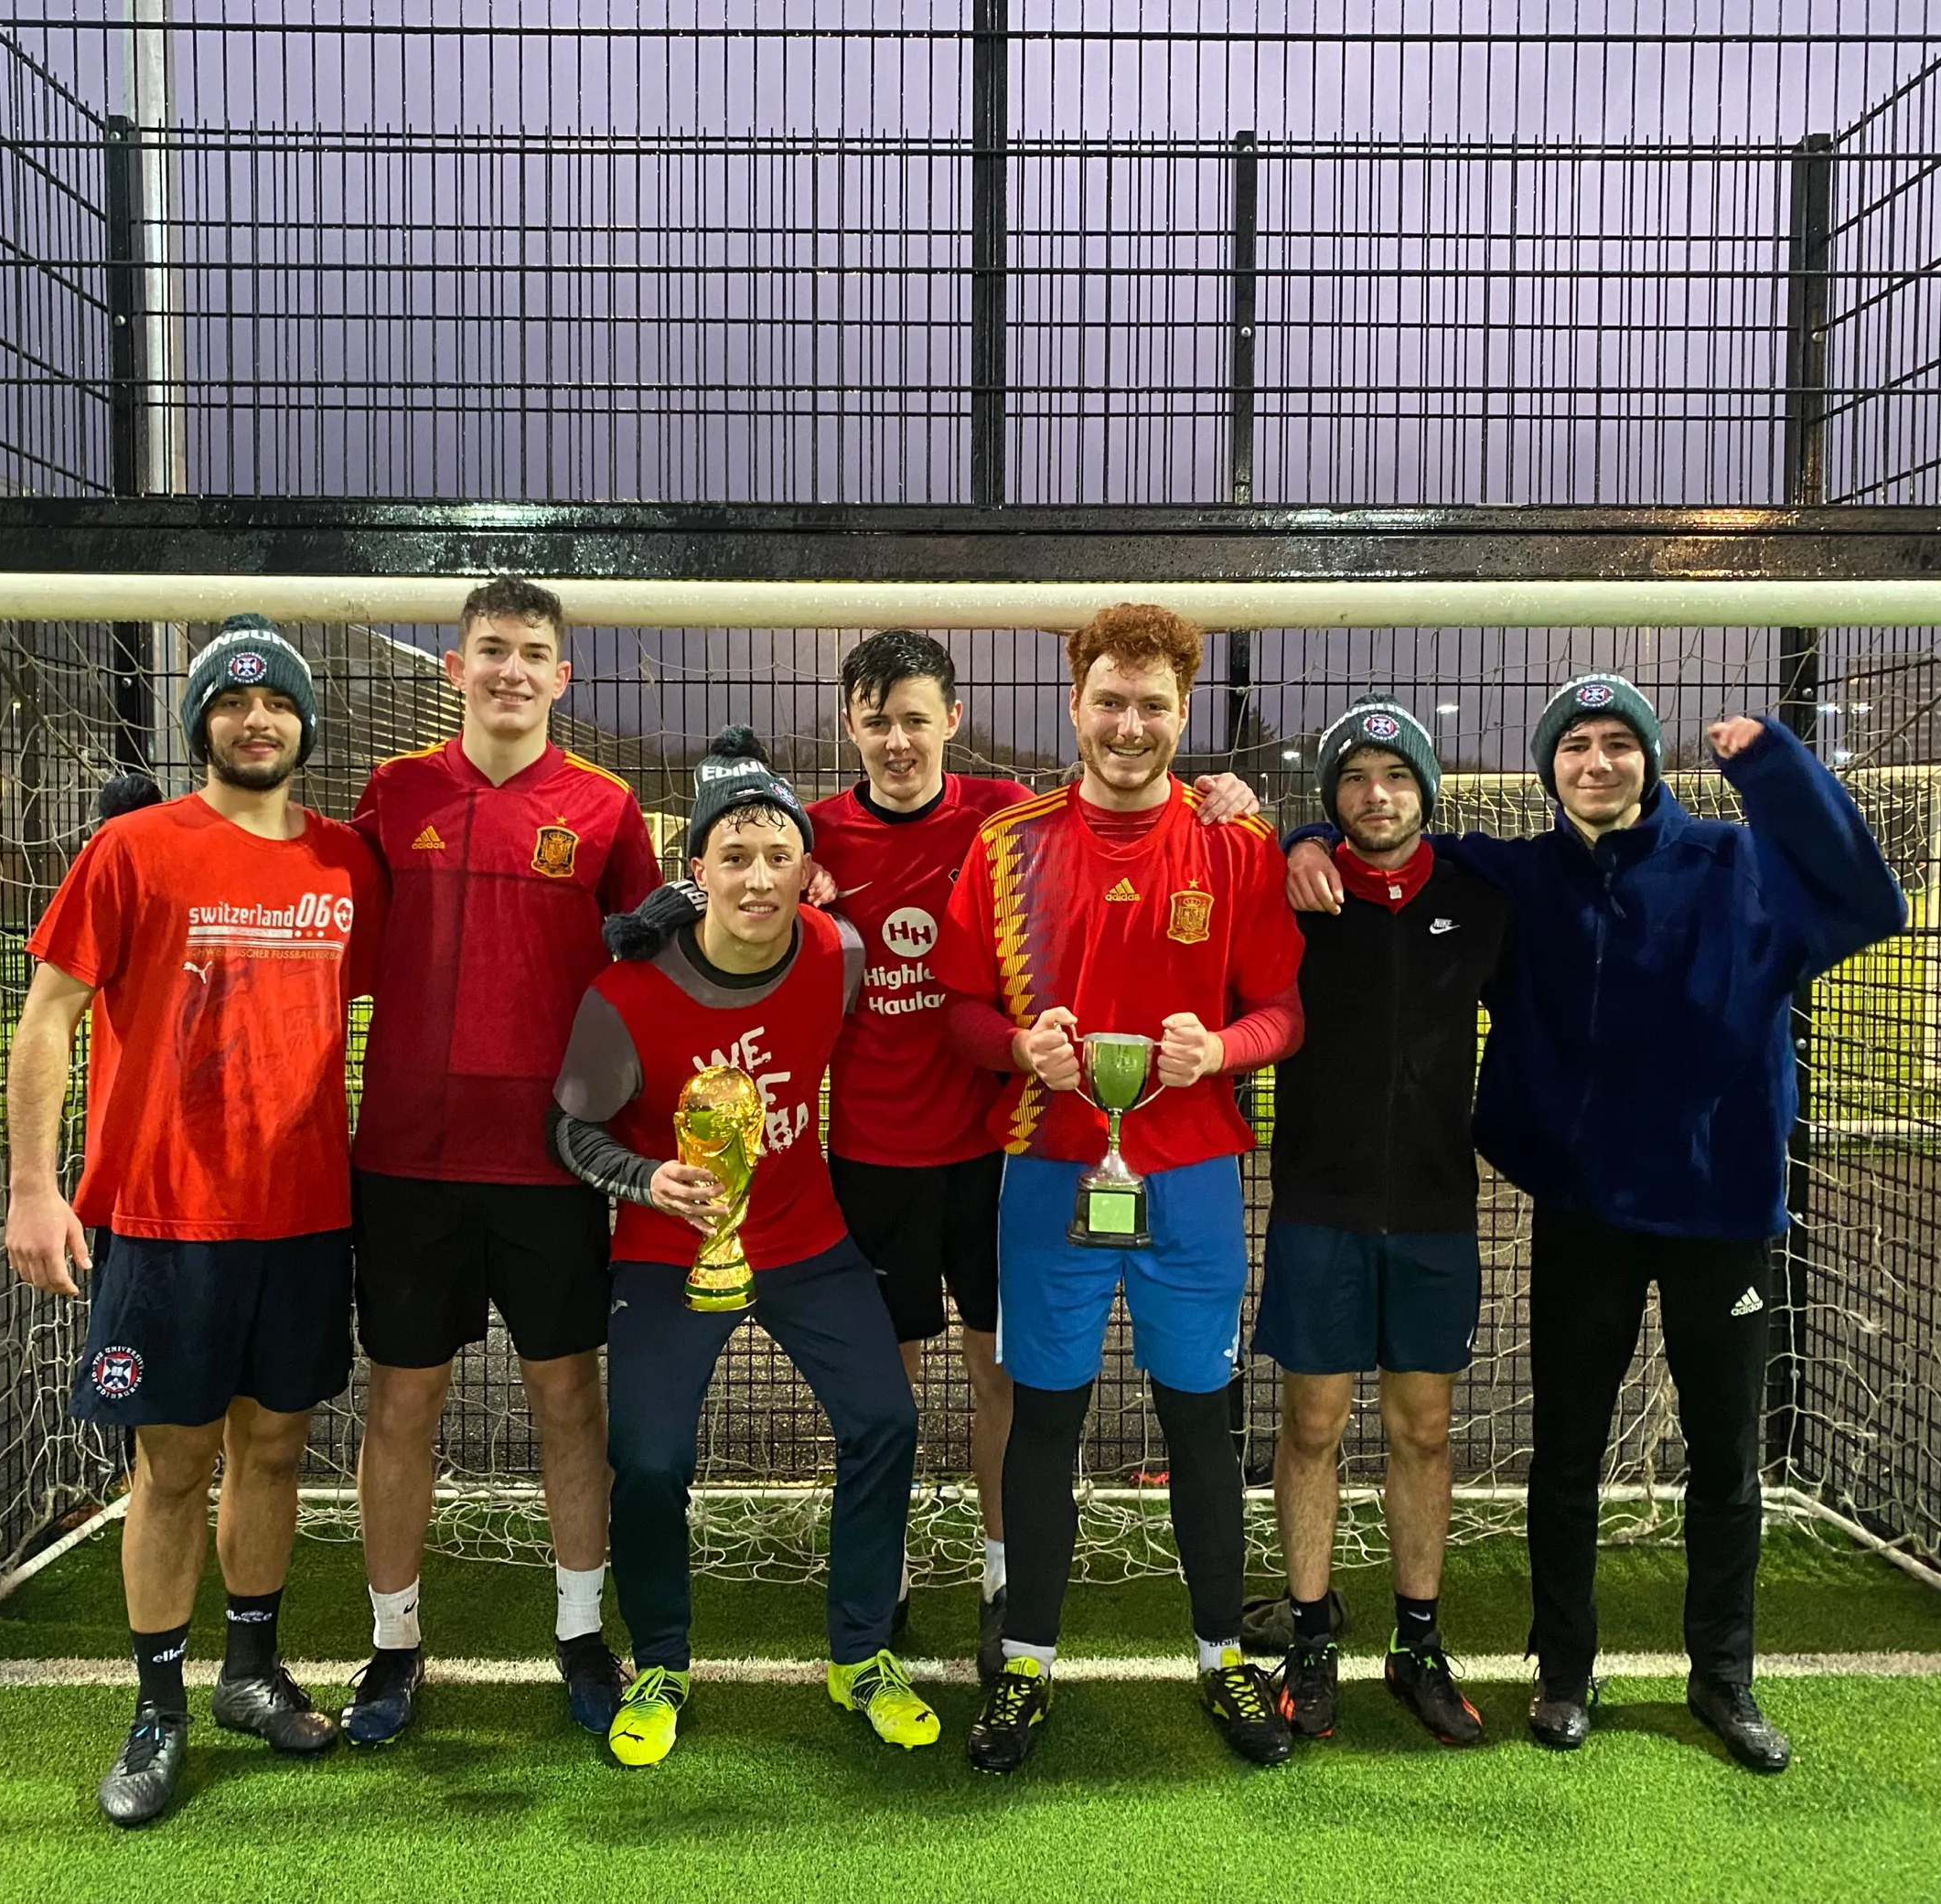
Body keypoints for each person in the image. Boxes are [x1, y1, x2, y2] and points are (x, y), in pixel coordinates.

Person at [1283, 672, 1903, 1773]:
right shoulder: (1522, 875)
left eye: (1619, 743)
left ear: (1650, 761)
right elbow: (1389, 836)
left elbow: (1870, 904)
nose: (1597, 762)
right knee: (1565, 1454)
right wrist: (1301, 836)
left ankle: (1722, 1677)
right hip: (1583, 1211)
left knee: (1726, 1459)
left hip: (1720, 1211)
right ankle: (1563, 1671)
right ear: (1549, 770)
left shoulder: (1739, 862)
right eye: (1574, 746)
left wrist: (1772, 765)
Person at [804, 629, 1263, 1671]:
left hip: (1009, 1154)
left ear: (952, 721)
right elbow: (734, 850)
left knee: (1011, 1384)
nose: (897, 740)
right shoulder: (824, 835)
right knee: (885, 1392)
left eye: (916, 719)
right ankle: (891, 1576)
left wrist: (1236, 798)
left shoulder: (1004, 814)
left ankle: (1012, 1580)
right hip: (888, 1152)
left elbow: (1132, 818)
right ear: (850, 727)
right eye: (876, 722)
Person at [3, 616, 386, 1827]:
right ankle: (158, 1708)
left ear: (305, 724)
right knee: (170, 1465)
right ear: (199, 722)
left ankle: (250, 1673)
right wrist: (32, 1187)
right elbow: (49, 1016)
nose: (254, 719)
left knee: (274, 1448)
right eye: (230, 702)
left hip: (304, 1215)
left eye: (276, 704)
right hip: (166, 1219)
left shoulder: (347, 865)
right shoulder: (133, 848)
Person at [932, 602, 1305, 1773]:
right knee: (1045, 1420)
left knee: (1200, 1422)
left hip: (1189, 1176)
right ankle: (1024, 1663)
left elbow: (1283, 1013)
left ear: (1183, 714)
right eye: (1110, 701)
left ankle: (1221, 1655)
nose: (1129, 725)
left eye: (1152, 705)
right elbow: (958, 1012)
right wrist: (1018, 1048)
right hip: (1050, 1171)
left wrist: (1221, 1051)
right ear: (1075, 705)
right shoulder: (1006, 847)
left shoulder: (1236, 847)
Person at [550, 729, 934, 1767]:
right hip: (670, 1251)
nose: (758, 879)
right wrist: (646, 1179)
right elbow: (569, 1128)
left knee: (887, 1420)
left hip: (805, 1237)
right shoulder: (625, 994)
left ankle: (861, 1653)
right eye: (734, 857)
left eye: (777, 857)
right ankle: (660, 1661)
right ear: (698, 871)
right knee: (651, 1458)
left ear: (807, 869)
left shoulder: (840, 954)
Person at [340, 576, 663, 1745]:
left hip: (553, 1164)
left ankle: (579, 1633)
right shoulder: (395, 793)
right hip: (407, 1160)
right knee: (402, 1400)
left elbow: (654, 975)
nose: (510, 669)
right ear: (455, 667)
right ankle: (393, 1646)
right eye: (490, 649)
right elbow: (325, 919)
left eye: (532, 652)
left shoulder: (608, 807)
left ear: (561, 677)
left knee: (568, 1398)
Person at [1253, 696, 1512, 1747]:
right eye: (1354, 780)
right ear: (1332, 799)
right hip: (1319, 1206)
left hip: (1437, 1210)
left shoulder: (1478, 901)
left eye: (1396, 776)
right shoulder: (1296, 899)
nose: (1376, 795)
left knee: (1425, 1430)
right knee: (1312, 1425)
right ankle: (1311, 1633)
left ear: (1426, 793)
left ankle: (1416, 1643)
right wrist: (1295, 843)